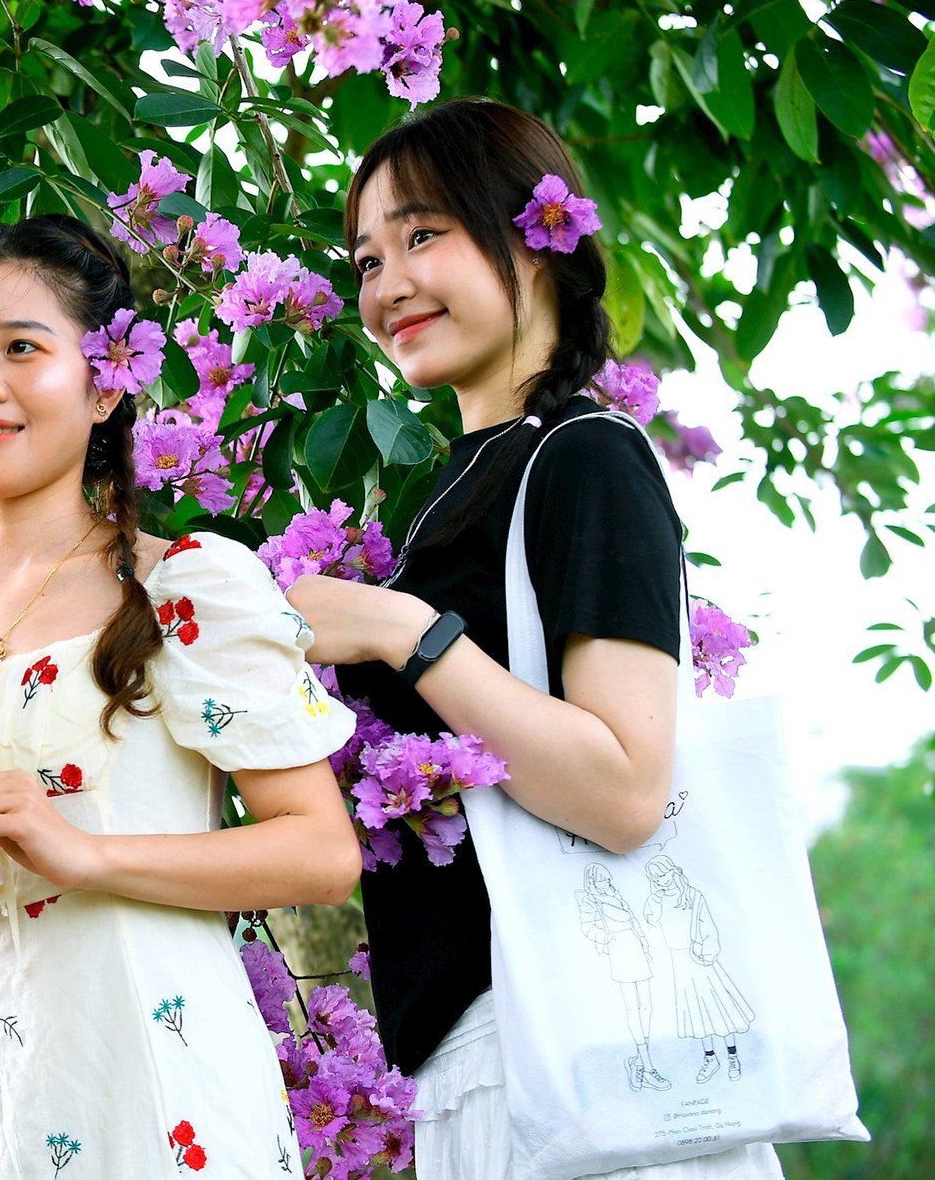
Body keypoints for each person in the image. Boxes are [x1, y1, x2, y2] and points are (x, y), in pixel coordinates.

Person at [290, 96, 780, 1177]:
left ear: (540, 236)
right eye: (366, 258)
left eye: (424, 235)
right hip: (489, 1064)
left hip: (577, 1051)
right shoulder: (453, 492)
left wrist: (402, 630)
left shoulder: (587, 457)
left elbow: (622, 789)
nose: (388, 285)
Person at [0, 214, 362, 1177]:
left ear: (107, 381)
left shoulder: (182, 590)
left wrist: (83, 850)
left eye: (21, 348)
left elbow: (322, 851)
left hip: (166, 1109)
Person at [644, 855, 756, 1084]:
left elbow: (707, 925)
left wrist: (708, 952)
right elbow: (651, 920)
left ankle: (733, 1055)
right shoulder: (658, 899)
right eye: (656, 878)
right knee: (696, 1012)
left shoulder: (692, 896)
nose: (662, 881)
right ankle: (710, 1057)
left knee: (718, 1008)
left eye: (664, 874)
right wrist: (655, 899)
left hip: (699, 957)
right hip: (679, 961)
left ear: (673, 871)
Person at [576, 863, 669, 1091]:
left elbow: (633, 922)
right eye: (602, 881)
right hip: (620, 951)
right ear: (593, 882)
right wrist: (607, 938)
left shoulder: (615, 895)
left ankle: (638, 1059)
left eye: (607, 880)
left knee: (646, 1006)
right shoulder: (591, 900)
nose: (606, 884)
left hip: (635, 947)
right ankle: (647, 1067)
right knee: (632, 1008)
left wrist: (644, 943)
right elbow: (588, 926)